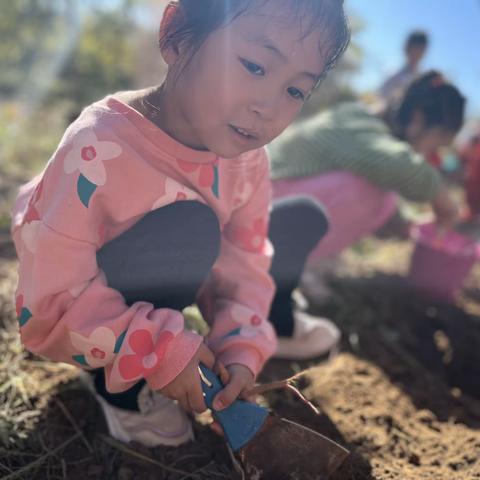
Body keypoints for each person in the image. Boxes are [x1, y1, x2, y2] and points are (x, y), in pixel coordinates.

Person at [10, 0, 349, 448]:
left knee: (298, 219)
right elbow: (48, 307)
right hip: (92, 305)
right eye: (254, 65)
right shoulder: (99, 145)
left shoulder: (249, 161)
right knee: (190, 228)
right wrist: (157, 350)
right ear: (177, 35)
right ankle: (122, 389)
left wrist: (240, 349)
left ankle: (269, 325)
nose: (267, 106)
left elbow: (246, 262)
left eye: (295, 91)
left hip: (185, 270)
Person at [269, 71, 465, 354]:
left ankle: (285, 271)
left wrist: (413, 226)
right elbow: (402, 166)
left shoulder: (364, 127)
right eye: (438, 140)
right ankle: (271, 290)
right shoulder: (361, 126)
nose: (433, 152)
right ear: (419, 119)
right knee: (371, 192)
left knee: (380, 197)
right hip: (259, 206)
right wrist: (445, 203)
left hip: (273, 204)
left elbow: (389, 207)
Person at [378, 30, 429, 108]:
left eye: (420, 48)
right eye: (415, 47)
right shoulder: (392, 74)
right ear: (407, 47)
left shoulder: (426, 81)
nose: (416, 52)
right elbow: (379, 99)